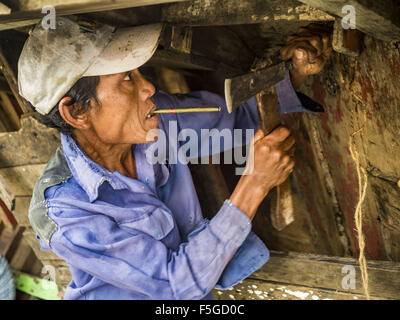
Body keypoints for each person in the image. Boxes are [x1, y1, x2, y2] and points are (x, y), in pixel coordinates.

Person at [18, 16, 332, 299]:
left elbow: (239, 116)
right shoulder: (65, 213)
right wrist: (255, 184)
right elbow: (174, 285)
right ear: (76, 112)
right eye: (127, 78)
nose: (148, 87)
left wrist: (293, 72)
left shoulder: (155, 122)